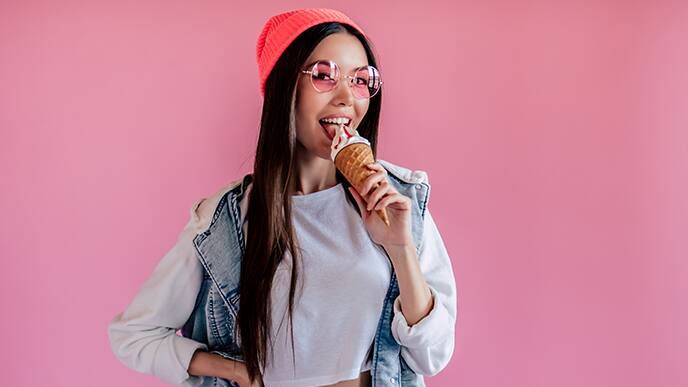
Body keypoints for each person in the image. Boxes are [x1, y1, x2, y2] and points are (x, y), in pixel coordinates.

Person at [108, 8, 457, 387]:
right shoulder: (228, 220)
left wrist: (399, 247)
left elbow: (432, 356)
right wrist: (232, 369)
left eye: (360, 80)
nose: (345, 98)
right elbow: (133, 335)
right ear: (283, 86)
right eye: (324, 75)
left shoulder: (399, 200)